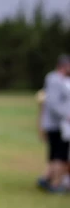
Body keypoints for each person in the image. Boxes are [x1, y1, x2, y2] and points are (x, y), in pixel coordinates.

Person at [40, 54, 70, 193]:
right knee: (59, 154)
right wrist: (66, 115)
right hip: (57, 124)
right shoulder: (54, 80)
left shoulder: (60, 80)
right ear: (64, 65)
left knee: (55, 154)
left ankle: (47, 178)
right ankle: (56, 184)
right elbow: (53, 103)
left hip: (58, 124)